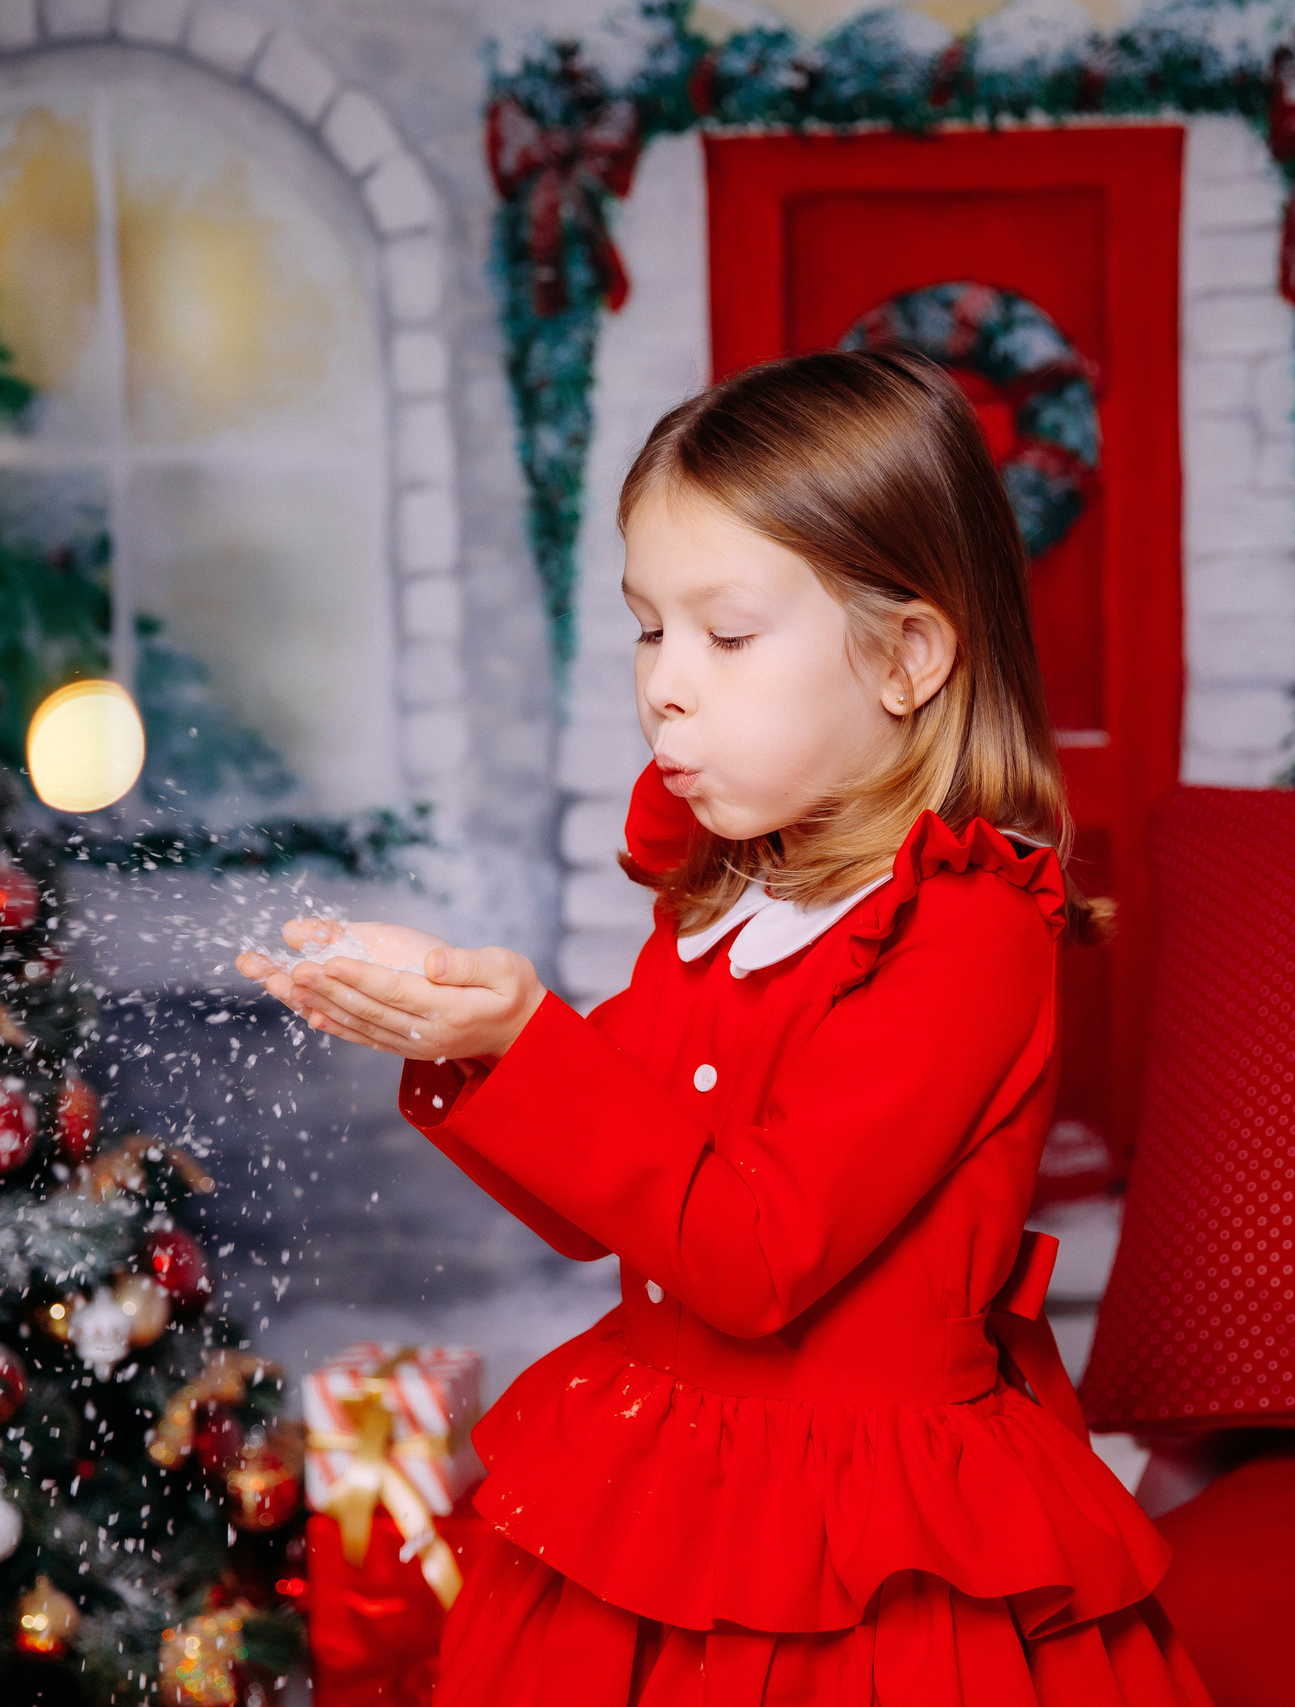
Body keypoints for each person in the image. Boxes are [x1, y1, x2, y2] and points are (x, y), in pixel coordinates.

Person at [241, 349, 1209, 1706]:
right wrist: (459, 1028)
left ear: (907, 658)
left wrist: (532, 1037)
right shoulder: (721, 892)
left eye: (727, 635)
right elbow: (605, 1205)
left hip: (872, 1554)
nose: (666, 685)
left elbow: (755, 1251)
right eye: (649, 628)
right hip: (667, 1465)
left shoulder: (966, 933)